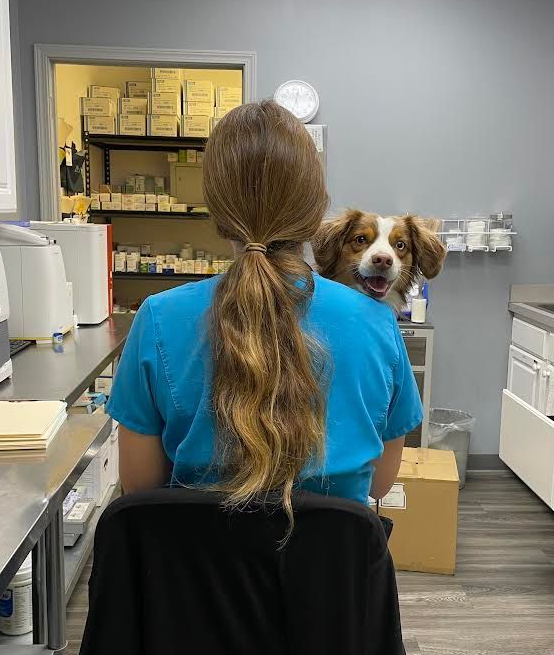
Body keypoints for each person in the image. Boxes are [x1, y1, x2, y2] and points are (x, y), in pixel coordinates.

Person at [107, 100, 422, 513]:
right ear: (314, 214)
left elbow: (140, 486)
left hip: (197, 572)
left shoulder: (158, 318)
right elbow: (380, 484)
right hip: (328, 574)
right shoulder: (376, 322)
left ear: (217, 214)